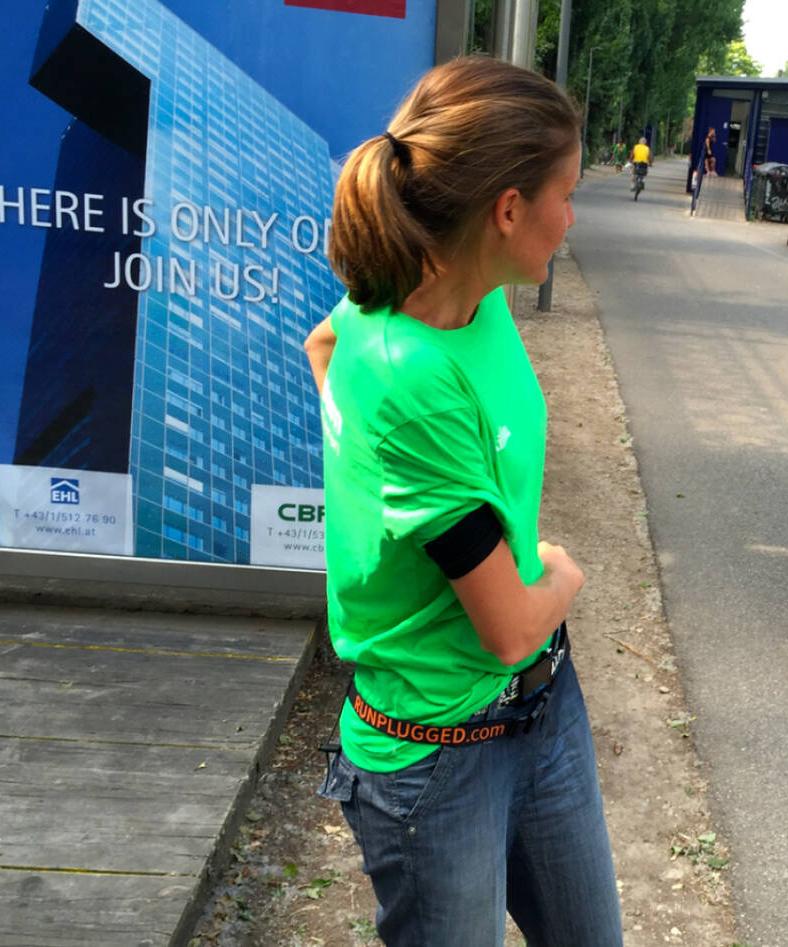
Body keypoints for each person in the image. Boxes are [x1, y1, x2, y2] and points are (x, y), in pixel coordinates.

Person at [302, 55, 622, 946]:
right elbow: (511, 627)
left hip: (542, 710)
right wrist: (562, 571)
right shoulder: (408, 371)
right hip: (436, 758)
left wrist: (370, 471)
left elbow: (322, 344)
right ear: (508, 210)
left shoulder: (466, 294)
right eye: (566, 193)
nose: (573, 215)